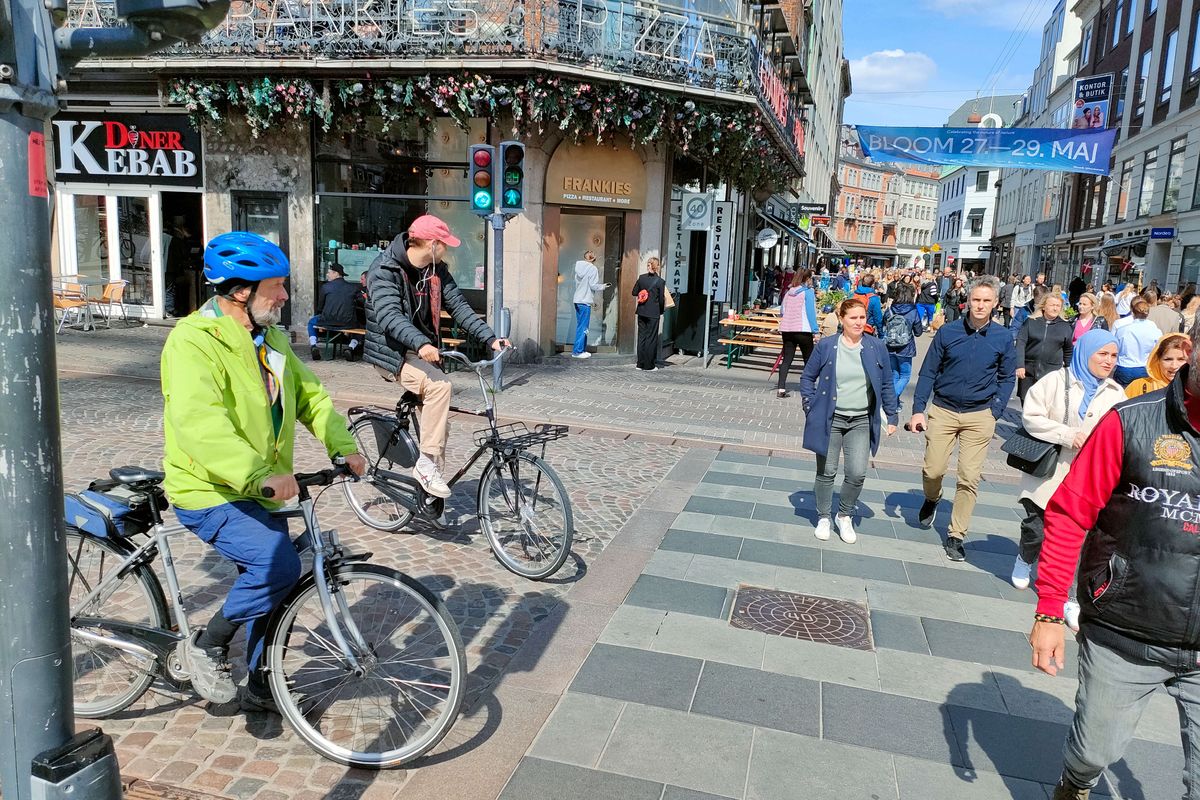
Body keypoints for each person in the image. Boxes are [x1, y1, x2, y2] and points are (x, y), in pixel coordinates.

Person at [162, 231, 368, 711]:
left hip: (263, 489)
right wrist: (257, 474)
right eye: (274, 286)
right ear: (240, 291)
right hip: (209, 489)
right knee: (277, 564)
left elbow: (310, 397)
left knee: (274, 586)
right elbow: (200, 424)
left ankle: (260, 684)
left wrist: (343, 444)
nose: (284, 296)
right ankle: (206, 643)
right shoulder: (193, 341)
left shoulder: (270, 339)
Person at [1028, 321, 1200, 800]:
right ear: (1190, 349)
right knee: (1091, 755)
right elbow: (1067, 514)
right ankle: (1075, 782)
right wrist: (1048, 611)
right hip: (1125, 628)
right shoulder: (1130, 421)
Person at [365, 215, 508, 499]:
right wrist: (420, 343)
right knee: (440, 387)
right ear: (431, 244)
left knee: (439, 426)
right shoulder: (384, 269)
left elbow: (460, 307)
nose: (447, 250)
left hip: (421, 351)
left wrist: (491, 339)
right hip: (392, 353)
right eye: (445, 245)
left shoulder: (436, 270)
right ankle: (426, 467)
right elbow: (388, 316)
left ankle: (428, 500)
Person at [1008, 330, 1124, 622]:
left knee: (1081, 540)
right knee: (1037, 528)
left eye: (1113, 355)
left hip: (1089, 479)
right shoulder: (1056, 382)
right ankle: (1025, 557)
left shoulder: (1116, 392)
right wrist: (1067, 435)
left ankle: (1072, 596)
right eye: (1103, 354)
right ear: (1086, 352)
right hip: (1049, 472)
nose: (1109, 361)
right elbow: (1031, 417)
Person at [909, 275, 1017, 562]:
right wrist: (919, 408)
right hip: (943, 410)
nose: (980, 305)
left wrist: (996, 411)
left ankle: (957, 534)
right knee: (933, 470)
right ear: (967, 300)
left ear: (995, 304)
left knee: (969, 477)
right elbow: (929, 371)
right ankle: (932, 499)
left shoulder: (1003, 337)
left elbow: (1007, 378)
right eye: (976, 300)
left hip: (979, 415)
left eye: (986, 301)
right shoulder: (948, 332)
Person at [800, 298, 898, 544]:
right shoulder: (827, 346)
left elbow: (886, 383)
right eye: (853, 317)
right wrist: (810, 406)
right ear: (841, 318)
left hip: (861, 420)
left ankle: (844, 515)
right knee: (827, 471)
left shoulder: (876, 346)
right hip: (830, 418)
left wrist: (892, 414)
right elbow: (807, 377)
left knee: (856, 473)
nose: (858, 322)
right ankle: (824, 515)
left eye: (862, 317)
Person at [1015, 293, 1074, 402]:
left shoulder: (1065, 326)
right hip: (1029, 371)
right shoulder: (1031, 322)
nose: (1055, 308)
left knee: (1046, 402)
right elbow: (1021, 343)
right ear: (1044, 306)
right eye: (1052, 305)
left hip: (1051, 372)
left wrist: (1067, 369)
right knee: (1027, 401)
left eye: (1058, 306)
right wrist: (1020, 365)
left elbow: (1068, 350)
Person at [306, 263, 363, 362]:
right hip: (347, 323)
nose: (327, 275)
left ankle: (313, 345)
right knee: (361, 325)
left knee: (311, 322)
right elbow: (363, 303)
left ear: (336, 274)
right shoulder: (353, 288)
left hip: (327, 322)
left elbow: (320, 307)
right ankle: (351, 347)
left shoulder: (325, 287)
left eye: (329, 273)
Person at [776, 269, 818, 398]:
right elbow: (811, 314)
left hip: (787, 329)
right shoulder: (808, 293)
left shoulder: (789, 292)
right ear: (807, 279)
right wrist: (815, 331)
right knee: (809, 360)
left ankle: (781, 388)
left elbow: (782, 311)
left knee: (787, 359)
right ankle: (808, 388)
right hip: (803, 330)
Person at [882, 282, 923, 409]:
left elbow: (883, 323)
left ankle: (895, 404)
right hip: (905, 347)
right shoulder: (913, 311)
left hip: (890, 345)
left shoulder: (890, 309)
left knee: (895, 374)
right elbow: (918, 332)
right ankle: (891, 399)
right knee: (905, 376)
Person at [1112, 297, 1161, 386]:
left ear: (1133, 313)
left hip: (1124, 367)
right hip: (1144, 367)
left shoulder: (1122, 330)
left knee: (1123, 396)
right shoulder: (1155, 331)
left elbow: (1115, 347)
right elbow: (1158, 350)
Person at [1124, 332, 1189, 397]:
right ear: (1158, 360)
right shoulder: (1138, 387)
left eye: (1181, 359)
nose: (1174, 366)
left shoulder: (1195, 391)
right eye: (1168, 359)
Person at [571, 250, 608, 359]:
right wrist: (603, 286)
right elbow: (593, 285)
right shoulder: (593, 269)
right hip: (585, 300)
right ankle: (577, 351)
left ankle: (581, 349)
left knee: (581, 326)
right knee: (583, 327)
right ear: (593, 258)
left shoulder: (578, 266)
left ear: (585, 257)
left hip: (577, 299)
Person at [633, 257, 666, 371]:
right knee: (651, 338)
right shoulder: (660, 282)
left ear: (649, 266)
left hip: (641, 311)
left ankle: (640, 364)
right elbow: (661, 300)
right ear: (657, 267)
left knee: (641, 337)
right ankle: (649, 365)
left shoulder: (642, 278)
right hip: (653, 313)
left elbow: (634, 292)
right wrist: (661, 311)